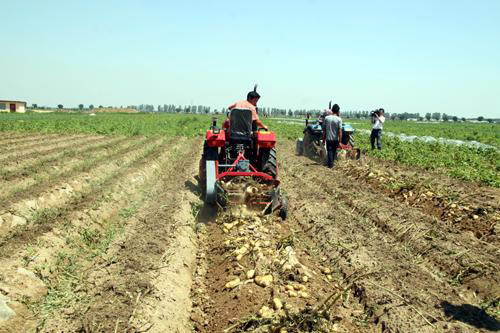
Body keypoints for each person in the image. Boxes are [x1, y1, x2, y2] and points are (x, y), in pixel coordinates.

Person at [322, 104, 342, 168]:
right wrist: (340, 142)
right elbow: (340, 131)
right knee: (333, 151)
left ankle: (330, 165)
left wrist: (323, 139)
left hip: (329, 139)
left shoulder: (326, 118)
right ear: (338, 111)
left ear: (332, 110)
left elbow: (324, 130)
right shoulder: (339, 119)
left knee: (330, 151)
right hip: (335, 139)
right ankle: (331, 164)